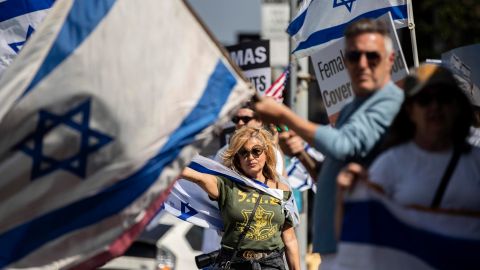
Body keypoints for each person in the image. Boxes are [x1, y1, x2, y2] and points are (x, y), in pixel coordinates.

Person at [254, 18, 404, 255]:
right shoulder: (352, 108)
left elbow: (344, 146)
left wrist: (284, 114)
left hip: (362, 244)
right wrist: (301, 154)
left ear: (390, 60)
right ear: (346, 62)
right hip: (340, 244)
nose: (363, 64)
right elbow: (329, 173)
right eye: (354, 56)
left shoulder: (390, 101)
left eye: (372, 56)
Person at [339, 63, 480, 211]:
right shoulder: (390, 164)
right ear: (410, 110)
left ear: (456, 105)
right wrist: (345, 196)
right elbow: (364, 224)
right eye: (424, 99)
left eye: (443, 97)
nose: (435, 106)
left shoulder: (476, 162)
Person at [181, 126, 301, 270]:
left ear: (266, 153)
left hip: (271, 264)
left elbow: (290, 239)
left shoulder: (281, 189)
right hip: (235, 263)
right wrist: (163, 165)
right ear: (237, 158)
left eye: (256, 151)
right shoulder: (226, 185)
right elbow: (197, 177)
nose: (250, 157)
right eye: (243, 152)